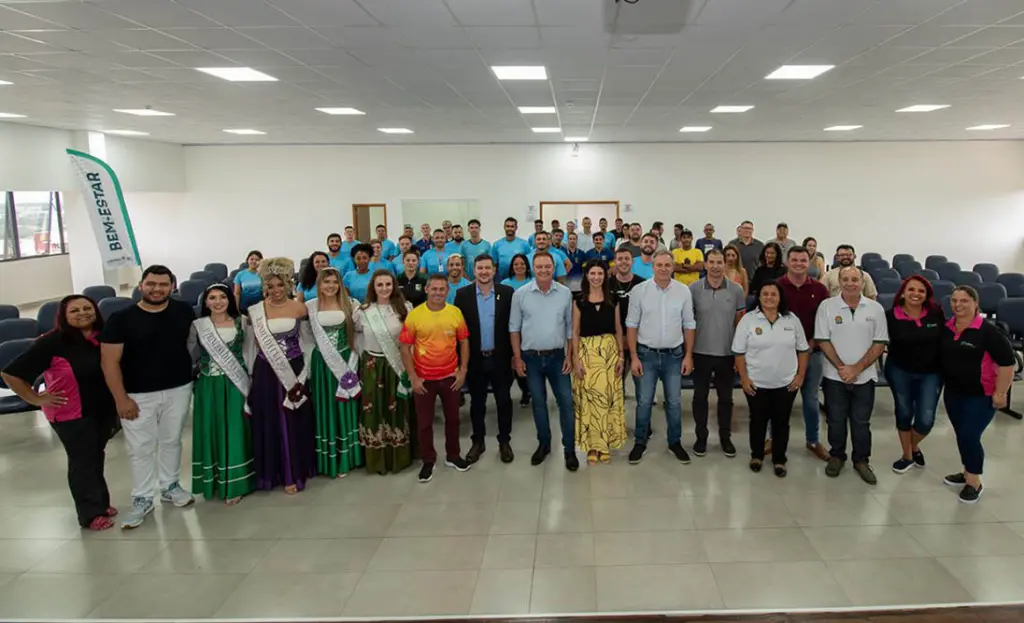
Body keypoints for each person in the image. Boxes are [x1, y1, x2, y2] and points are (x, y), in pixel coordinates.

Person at [2, 295, 119, 530]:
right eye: (74, 311)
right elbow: (11, 373)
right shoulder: (52, 342)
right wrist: (35, 398)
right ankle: (89, 514)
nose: (82, 313)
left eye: (87, 308)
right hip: (71, 412)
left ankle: (100, 503)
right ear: (63, 316)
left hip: (101, 408)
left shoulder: (102, 337)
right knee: (82, 461)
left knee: (95, 455)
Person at [100, 265, 195, 528]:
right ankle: (142, 497)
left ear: (172, 287)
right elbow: (109, 362)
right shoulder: (121, 319)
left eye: (163, 284)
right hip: (137, 394)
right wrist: (121, 399)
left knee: (171, 440)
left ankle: (170, 486)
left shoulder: (183, 311)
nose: (157, 289)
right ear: (141, 285)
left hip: (178, 388)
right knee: (140, 447)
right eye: (151, 284)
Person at [246, 257, 317, 494]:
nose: (276, 290)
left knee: (294, 418)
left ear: (288, 284)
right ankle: (273, 472)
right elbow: (252, 346)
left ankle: (295, 470)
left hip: (294, 369)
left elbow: (308, 342)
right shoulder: (255, 312)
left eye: (280, 285)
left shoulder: (299, 308)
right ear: (264, 286)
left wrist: (306, 372)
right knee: (270, 420)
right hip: (267, 371)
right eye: (270, 286)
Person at [940, 286, 1015, 503]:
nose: (958, 305)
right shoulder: (947, 327)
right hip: (953, 392)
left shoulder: (988, 331)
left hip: (981, 394)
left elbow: (1007, 364)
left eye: (964, 301)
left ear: (975, 303)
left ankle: (974, 481)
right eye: (954, 300)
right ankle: (966, 471)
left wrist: (1000, 393)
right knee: (962, 434)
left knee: (969, 435)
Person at [815, 265, 888, 485]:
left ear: (863, 282)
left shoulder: (875, 309)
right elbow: (822, 340)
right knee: (836, 420)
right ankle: (837, 456)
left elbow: (879, 343)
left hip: (865, 377)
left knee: (861, 422)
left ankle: (861, 460)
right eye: (845, 279)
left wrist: (856, 369)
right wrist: (842, 368)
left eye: (855, 279)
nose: (850, 283)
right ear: (839, 282)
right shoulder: (827, 306)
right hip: (834, 376)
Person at [625, 251, 696, 465]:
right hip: (645, 355)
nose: (663, 269)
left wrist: (688, 355)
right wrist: (634, 357)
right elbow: (632, 325)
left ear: (673, 267)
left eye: (667, 265)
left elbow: (689, 324)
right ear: (653, 267)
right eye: (659, 265)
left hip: (674, 356)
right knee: (644, 401)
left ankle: (675, 442)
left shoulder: (683, 291)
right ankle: (640, 441)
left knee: (674, 402)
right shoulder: (639, 291)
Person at [733, 281, 809, 477]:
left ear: (780, 297)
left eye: (773, 294)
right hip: (756, 383)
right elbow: (739, 353)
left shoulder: (791, 320)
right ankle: (757, 455)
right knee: (757, 420)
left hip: (786, 384)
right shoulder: (749, 320)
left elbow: (803, 350)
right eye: (765, 294)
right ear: (758, 297)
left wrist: (800, 376)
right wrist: (744, 379)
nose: (769, 298)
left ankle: (779, 459)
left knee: (781, 422)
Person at [400, 275, 471, 483]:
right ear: (427, 290)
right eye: (434, 289)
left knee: (453, 419)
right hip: (424, 380)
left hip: (450, 377)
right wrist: (413, 377)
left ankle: (453, 455)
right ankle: (428, 460)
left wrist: (463, 371)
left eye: (442, 289)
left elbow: (464, 342)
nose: (438, 293)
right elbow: (404, 347)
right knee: (424, 423)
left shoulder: (455, 312)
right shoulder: (415, 315)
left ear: (447, 291)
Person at [187, 284, 254, 504]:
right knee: (212, 429)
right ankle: (215, 480)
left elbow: (250, 351)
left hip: (236, 383)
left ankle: (236, 483)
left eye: (222, 297)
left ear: (229, 300)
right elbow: (190, 354)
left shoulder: (242, 322)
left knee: (235, 429)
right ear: (205, 302)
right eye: (212, 298)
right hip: (209, 385)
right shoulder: (198, 326)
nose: (218, 302)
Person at [510, 252, 578, 471]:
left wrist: (569, 355)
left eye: (547, 266)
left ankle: (569, 449)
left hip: (558, 357)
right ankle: (544, 444)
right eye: (539, 267)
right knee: (538, 403)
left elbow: (570, 328)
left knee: (566, 402)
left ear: (553, 267)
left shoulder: (565, 293)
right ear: (533, 268)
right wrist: (517, 358)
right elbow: (514, 328)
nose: (543, 270)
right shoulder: (520, 295)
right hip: (531, 359)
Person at [455, 254, 515, 464]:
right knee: (477, 403)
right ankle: (478, 441)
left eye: (487, 268)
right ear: (474, 270)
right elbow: (458, 331)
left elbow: (514, 327)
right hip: (475, 359)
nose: (484, 272)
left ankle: (504, 441)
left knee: (504, 401)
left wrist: (515, 356)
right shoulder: (463, 295)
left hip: (500, 358)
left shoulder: (507, 293)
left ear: (494, 270)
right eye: (480, 268)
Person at [353, 271, 415, 475]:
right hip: (372, 365)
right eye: (379, 285)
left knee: (397, 408)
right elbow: (357, 338)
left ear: (394, 285)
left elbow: (411, 340)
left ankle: (399, 457)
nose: (384, 288)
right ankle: (377, 459)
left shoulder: (405, 308)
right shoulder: (362, 311)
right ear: (373, 287)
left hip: (397, 365)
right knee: (374, 409)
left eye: (388, 284)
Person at [306, 267, 363, 479]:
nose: (331, 286)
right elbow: (306, 337)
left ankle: (347, 457)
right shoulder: (310, 307)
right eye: (326, 282)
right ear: (319, 284)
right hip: (322, 364)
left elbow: (360, 331)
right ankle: (328, 458)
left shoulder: (351, 304)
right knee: (325, 406)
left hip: (345, 360)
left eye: (335, 282)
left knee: (345, 403)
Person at [776, 246, 831, 461]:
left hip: (812, 352)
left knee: (810, 399)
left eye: (803, 260)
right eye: (794, 260)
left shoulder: (820, 289)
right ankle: (773, 438)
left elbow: (825, 322)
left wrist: (811, 343)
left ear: (809, 263)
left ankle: (813, 440)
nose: (798, 264)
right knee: (778, 400)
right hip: (783, 354)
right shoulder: (777, 286)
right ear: (787, 262)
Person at [885, 276, 944, 474]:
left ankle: (913, 445)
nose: (916, 294)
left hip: (931, 372)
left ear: (927, 295)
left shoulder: (936, 313)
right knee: (904, 412)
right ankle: (907, 456)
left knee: (926, 420)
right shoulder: (890, 316)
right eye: (911, 289)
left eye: (921, 291)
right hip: (899, 370)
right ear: (903, 293)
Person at [689, 249, 745, 457]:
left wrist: (739, 355)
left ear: (725, 264)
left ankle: (725, 437)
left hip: (726, 353)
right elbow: (688, 323)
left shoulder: (736, 290)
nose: (715, 266)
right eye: (711, 262)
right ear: (705, 264)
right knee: (700, 397)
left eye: (719, 262)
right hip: (700, 352)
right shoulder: (693, 289)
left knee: (726, 399)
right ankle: (701, 437)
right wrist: (688, 353)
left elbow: (740, 323)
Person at [572, 260, 627, 464]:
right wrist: (575, 360)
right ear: (587, 276)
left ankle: (605, 445)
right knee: (590, 401)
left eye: (600, 273)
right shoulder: (579, 301)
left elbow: (618, 328)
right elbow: (575, 331)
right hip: (587, 353)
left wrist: (621, 356)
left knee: (608, 400)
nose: (596, 277)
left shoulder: (613, 299)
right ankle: (592, 446)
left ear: (605, 276)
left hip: (609, 354)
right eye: (592, 273)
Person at [609, 247, 646, 398]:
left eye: (627, 259)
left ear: (632, 261)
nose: (623, 262)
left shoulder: (642, 284)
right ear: (615, 262)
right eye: (620, 259)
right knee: (617, 381)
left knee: (641, 382)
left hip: (639, 338)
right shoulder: (607, 284)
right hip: (614, 338)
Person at [502, 253, 533, 407]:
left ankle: (529, 389)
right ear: (512, 267)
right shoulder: (505, 284)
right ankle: (523, 390)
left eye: (522, 264)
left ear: (527, 266)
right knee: (515, 360)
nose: (519, 267)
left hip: (529, 328)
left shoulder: (533, 282)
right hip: (511, 327)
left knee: (528, 360)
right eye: (516, 264)